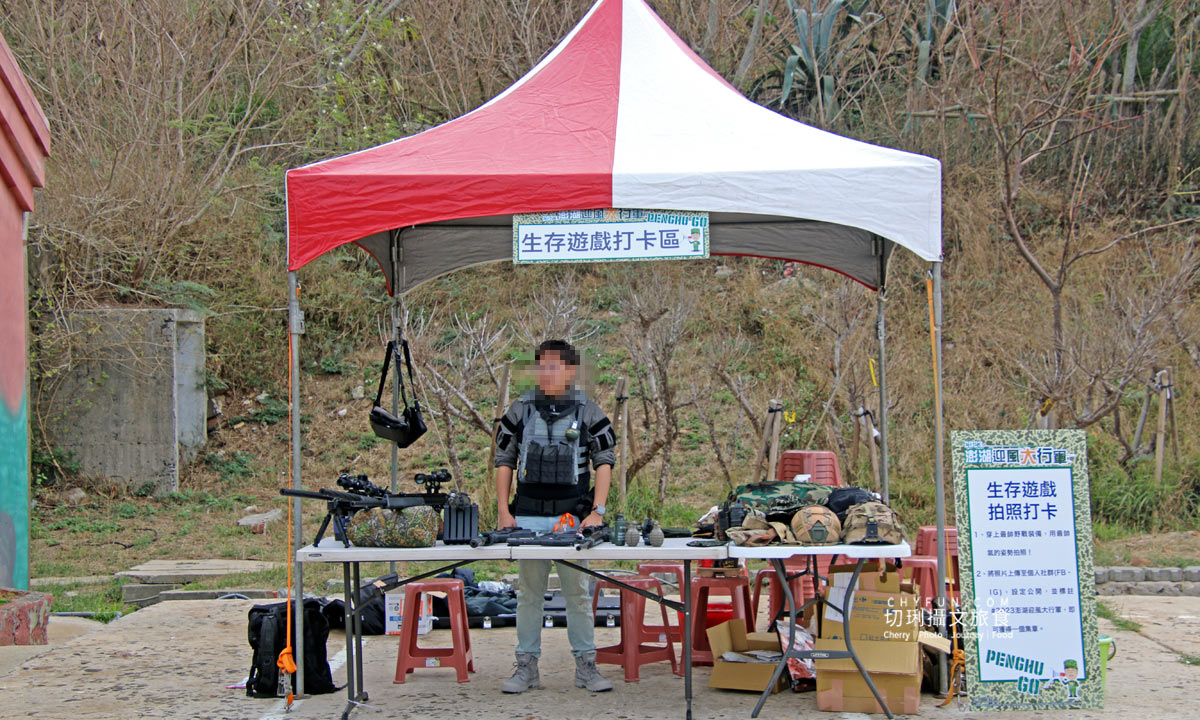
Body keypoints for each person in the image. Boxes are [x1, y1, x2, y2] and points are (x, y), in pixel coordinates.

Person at [494, 339, 617, 694]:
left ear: (570, 370)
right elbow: (505, 461)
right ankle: (526, 668)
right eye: (541, 366)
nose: (546, 373)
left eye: (554, 366)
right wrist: (504, 512)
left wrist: (598, 512)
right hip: (528, 518)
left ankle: (586, 668)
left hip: (573, 520)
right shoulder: (519, 410)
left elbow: (604, 460)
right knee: (529, 595)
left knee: (578, 594)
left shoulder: (588, 411)